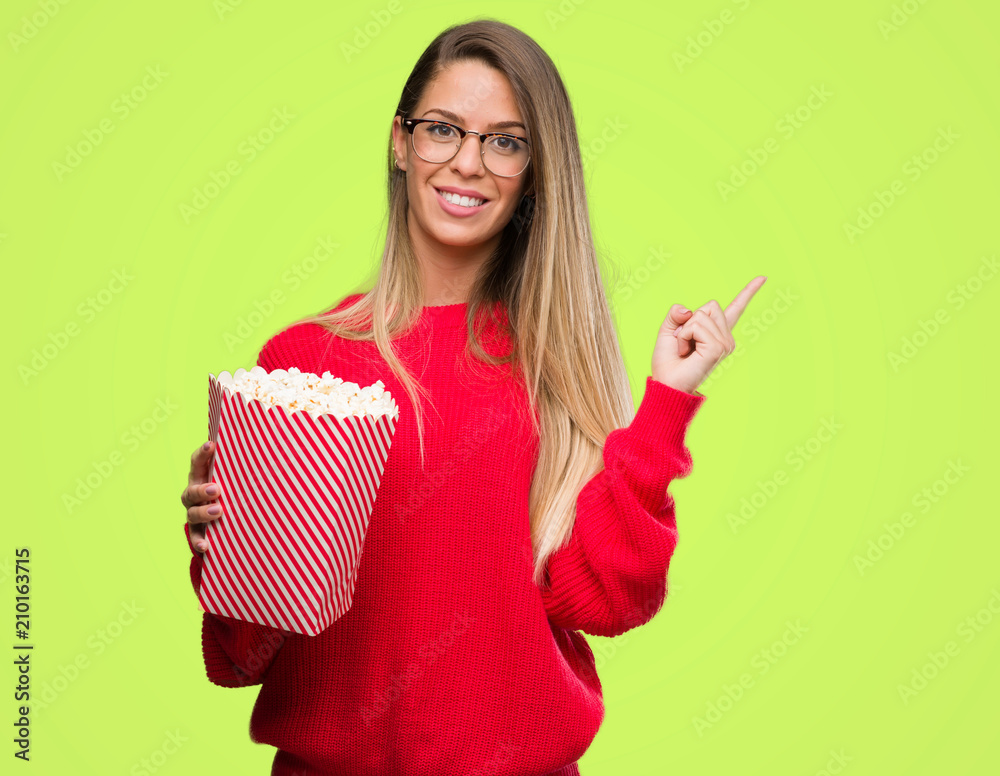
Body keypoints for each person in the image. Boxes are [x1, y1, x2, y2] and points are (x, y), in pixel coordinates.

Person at [180, 18, 765, 776]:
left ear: (534, 172)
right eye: (442, 130)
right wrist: (229, 550)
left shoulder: (556, 366)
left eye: (506, 142)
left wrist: (664, 405)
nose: (467, 163)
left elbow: (605, 602)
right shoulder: (299, 367)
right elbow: (239, 655)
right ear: (399, 141)